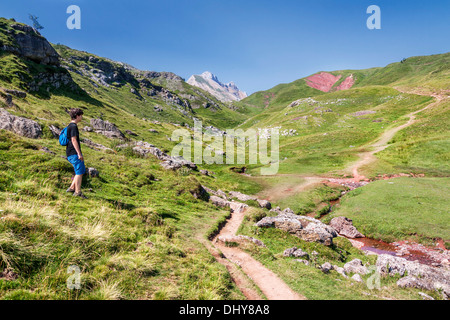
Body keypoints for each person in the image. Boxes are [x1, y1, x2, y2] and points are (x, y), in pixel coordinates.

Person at [66, 108, 87, 199]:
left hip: (70, 152)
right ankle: (77, 192)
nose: (82, 117)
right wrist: (79, 153)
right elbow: (74, 140)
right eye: (81, 115)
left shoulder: (69, 126)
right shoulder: (73, 126)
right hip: (74, 152)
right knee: (79, 172)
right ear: (77, 116)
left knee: (79, 170)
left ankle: (71, 188)